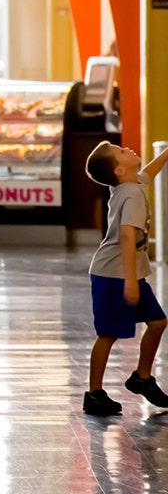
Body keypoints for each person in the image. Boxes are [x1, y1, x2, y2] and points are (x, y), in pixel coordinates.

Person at [81, 141, 168, 416]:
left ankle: (142, 378)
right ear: (119, 170)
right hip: (115, 275)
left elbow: (150, 172)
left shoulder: (131, 183)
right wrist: (130, 281)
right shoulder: (129, 194)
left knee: (158, 322)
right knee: (108, 334)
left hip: (128, 273)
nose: (127, 149)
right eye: (121, 151)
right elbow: (128, 237)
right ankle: (94, 394)